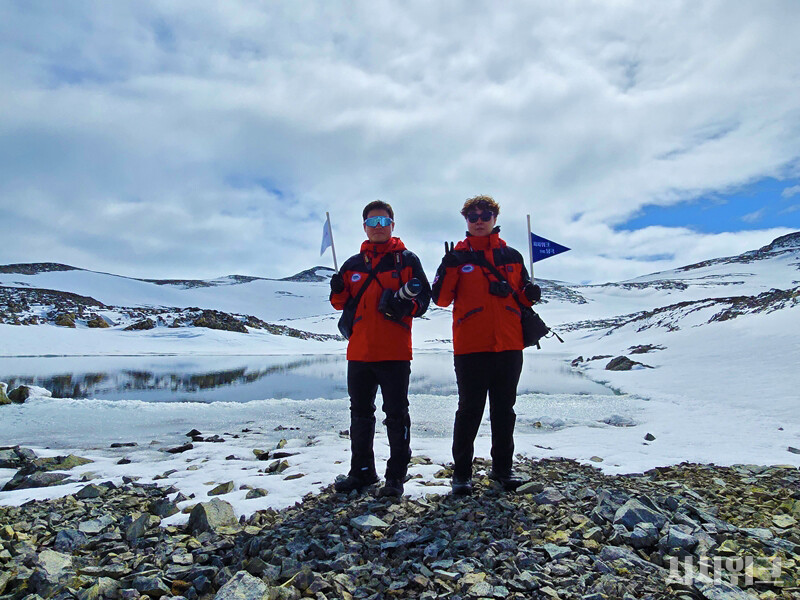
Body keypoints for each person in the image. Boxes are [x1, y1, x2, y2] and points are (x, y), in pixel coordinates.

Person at [432, 195, 541, 495]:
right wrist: (451, 265)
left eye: (485, 214)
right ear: (465, 220)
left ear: (495, 217)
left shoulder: (513, 257)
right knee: (469, 411)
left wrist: (530, 293)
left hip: (508, 345)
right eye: (473, 215)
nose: (479, 220)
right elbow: (440, 299)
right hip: (471, 347)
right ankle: (462, 474)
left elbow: (522, 299)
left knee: (504, 410)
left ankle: (503, 470)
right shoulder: (456, 257)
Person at [329, 200, 431, 496]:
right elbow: (340, 304)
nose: (378, 227)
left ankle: (396, 476)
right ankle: (362, 472)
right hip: (359, 354)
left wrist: (405, 305)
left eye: (383, 222)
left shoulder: (407, 259)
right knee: (360, 414)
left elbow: (424, 300)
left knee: (396, 414)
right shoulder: (352, 265)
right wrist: (337, 288)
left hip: (395, 353)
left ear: (392, 225)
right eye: (372, 223)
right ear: (364, 227)